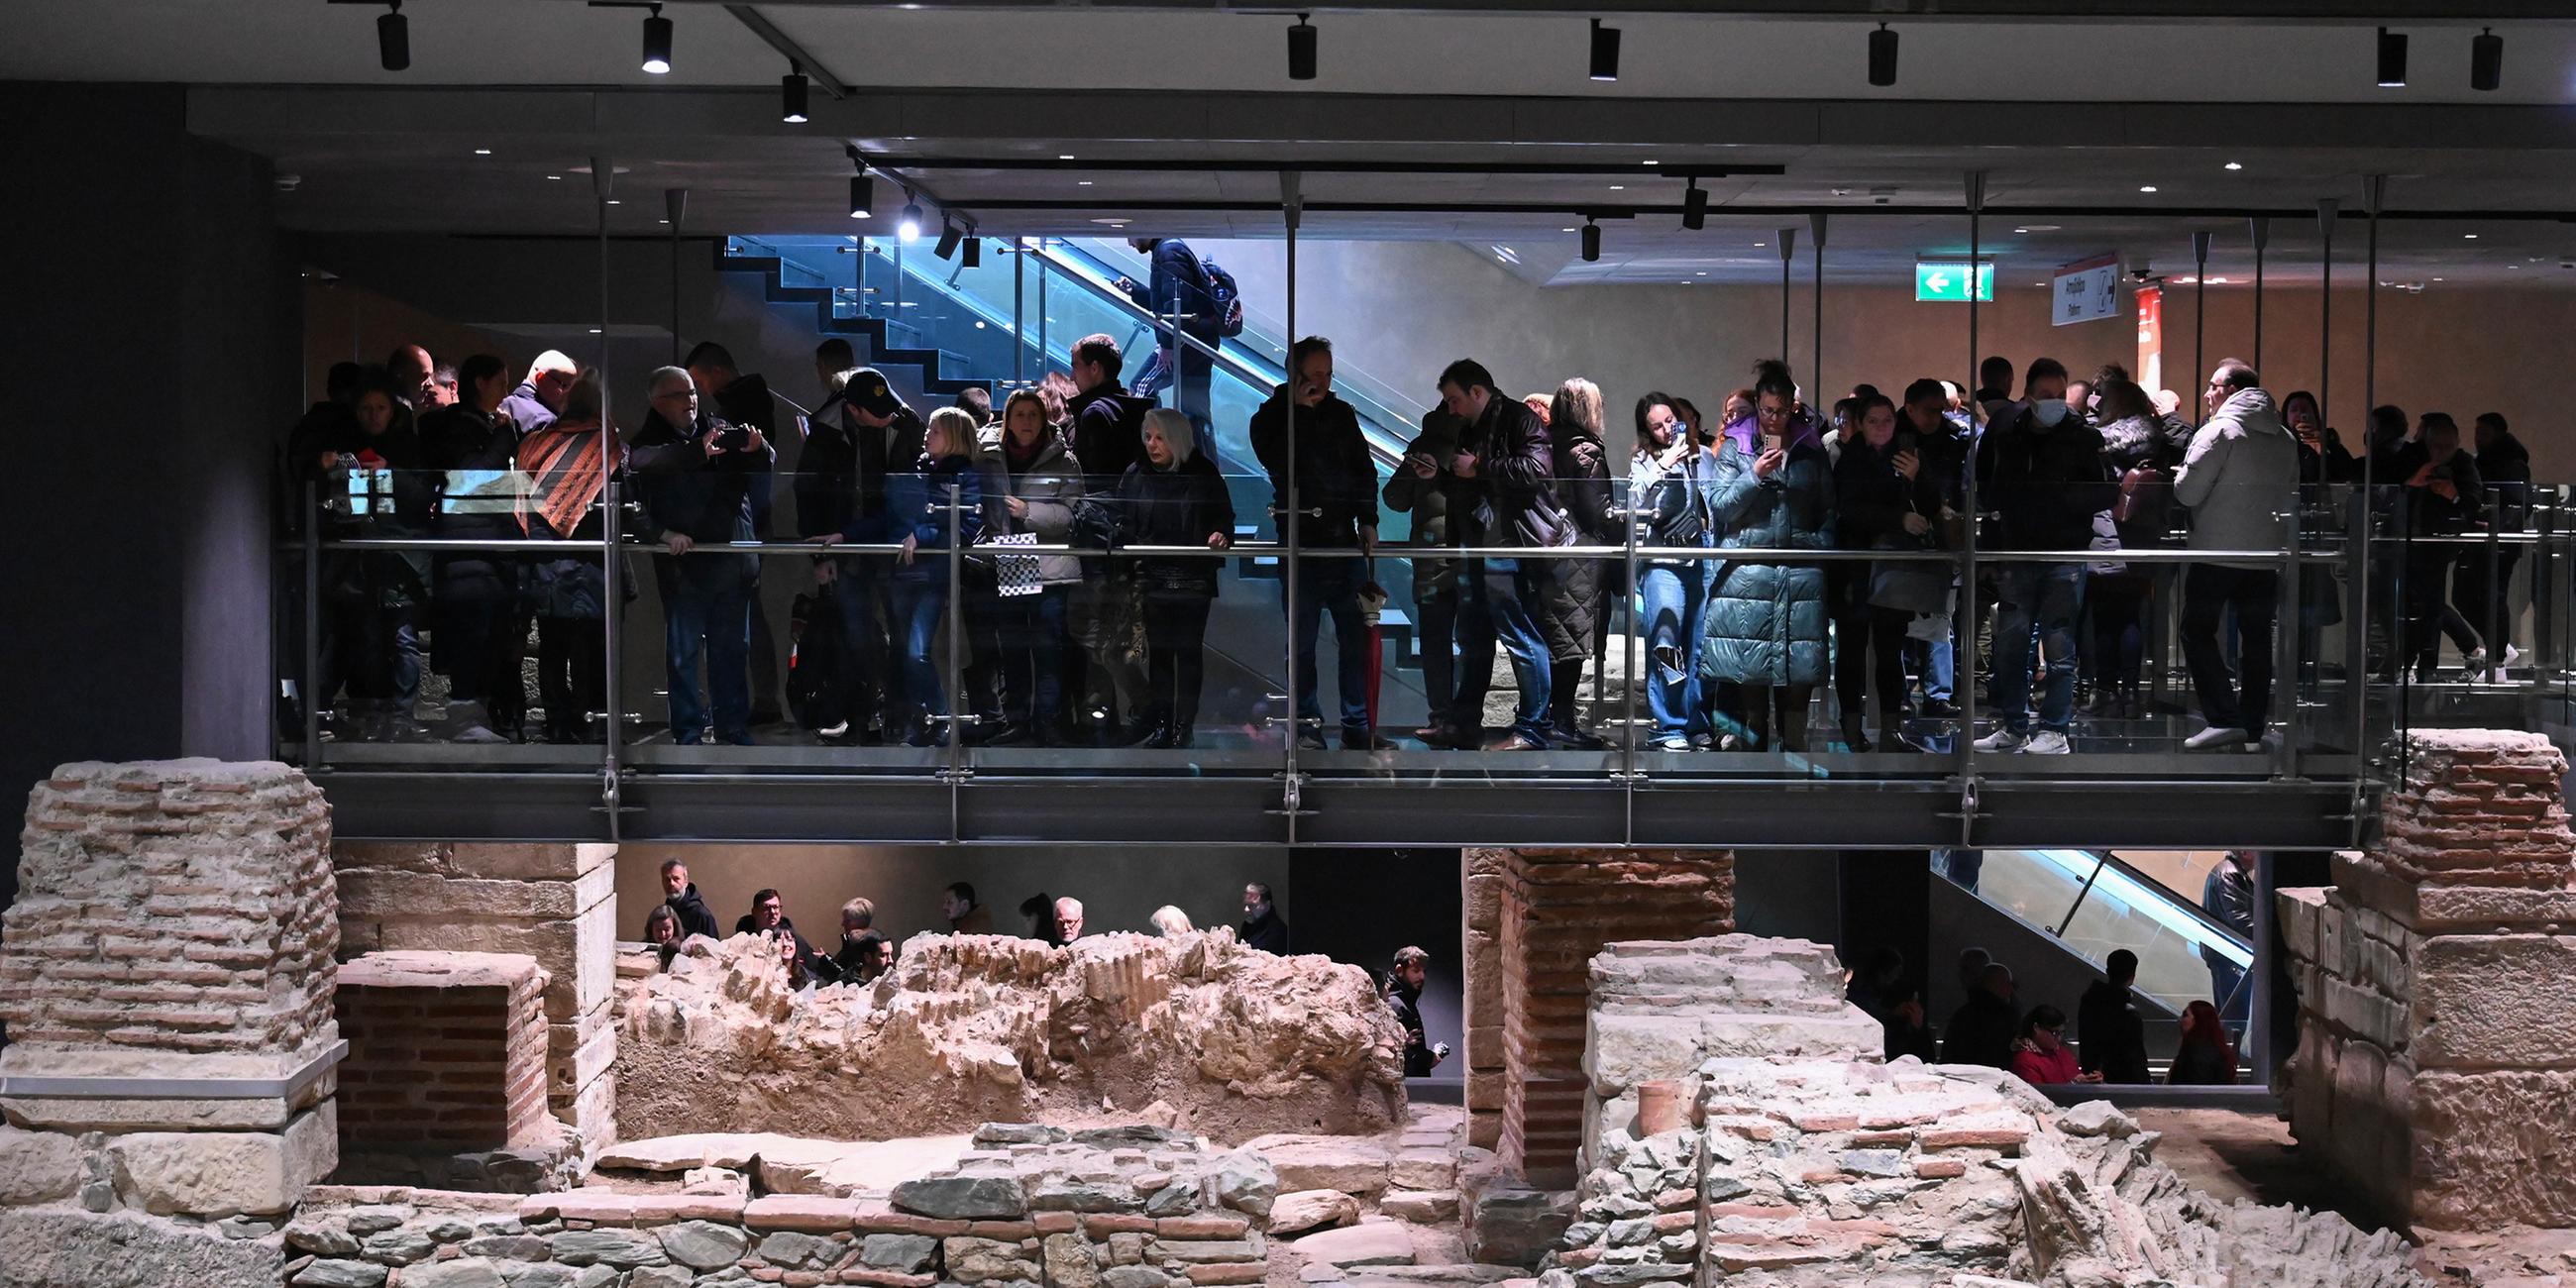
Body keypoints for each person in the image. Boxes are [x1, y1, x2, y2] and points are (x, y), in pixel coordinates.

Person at [816, 406, 982, 746]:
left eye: (935, 430)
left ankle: (939, 716)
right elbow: (887, 518)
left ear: (953, 436)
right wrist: (846, 535)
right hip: (900, 575)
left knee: (915, 651)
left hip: (931, 577)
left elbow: (965, 527)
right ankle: (924, 719)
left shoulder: (963, 477)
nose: (927, 435)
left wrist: (922, 535)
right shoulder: (915, 473)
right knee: (905, 650)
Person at [1251, 337, 1387, 751]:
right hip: (1301, 542)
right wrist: (1300, 414)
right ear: (1295, 375)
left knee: (1355, 640)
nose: (1323, 383)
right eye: (1315, 375)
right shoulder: (1271, 417)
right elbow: (1280, 463)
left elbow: (1363, 469)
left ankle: (1358, 725)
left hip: (1342, 541)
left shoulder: (1341, 414)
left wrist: (1367, 519)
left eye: (1328, 374)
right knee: (1303, 643)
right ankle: (1307, 724)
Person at [1974, 358, 2108, 756]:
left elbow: (2104, 490)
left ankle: (2055, 729)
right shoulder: (2006, 431)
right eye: (2045, 395)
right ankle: (2014, 725)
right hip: (2018, 552)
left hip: (2064, 554)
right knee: (2013, 645)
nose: (2054, 403)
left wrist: (2061, 499)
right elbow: (1986, 483)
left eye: (2059, 396)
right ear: (2029, 395)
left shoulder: (2081, 436)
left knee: (2060, 645)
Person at [630, 366, 769, 746]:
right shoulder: (645, 445)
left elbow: (763, 467)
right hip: (684, 566)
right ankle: (688, 732)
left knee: (732, 650)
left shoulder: (721, 428)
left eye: (692, 392)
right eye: (679, 395)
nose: (691, 401)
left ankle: (732, 727)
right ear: (658, 403)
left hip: (730, 559)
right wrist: (661, 534)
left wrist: (759, 449)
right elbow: (635, 485)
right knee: (683, 654)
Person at [1702, 362, 1833, 754]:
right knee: (1751, 689)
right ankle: (1756, 782)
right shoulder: (1735, 447)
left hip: (1800, 578)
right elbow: (1720, 507)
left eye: (1781, 411)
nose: (1773, 419)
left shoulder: (1810, 449)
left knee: (1796, 692)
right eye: (1766, 410)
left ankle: (1795, 778)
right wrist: (1754, 475)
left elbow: (1829, 509)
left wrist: (1819, 547)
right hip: (1748, 579)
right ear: (1757, 405)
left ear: (1793, 408)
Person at [1437, 360, 1564, 751]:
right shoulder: (1479, 425)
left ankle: (1532, 729)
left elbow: (1535, 469)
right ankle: (1466, 724)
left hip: (1509, 546)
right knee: (1475, 637)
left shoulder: (1518, 418)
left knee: (1519, 635)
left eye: (1455, 399)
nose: (1450, 408)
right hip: (1485, 545)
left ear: (1477, 392)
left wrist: (1478, 468)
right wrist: (1442, 474)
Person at [2174, 360, 2298, 751]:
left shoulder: (2221, 431)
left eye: (2213, 386)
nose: (2208, 393)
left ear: (2232, 390)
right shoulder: (2284, 437)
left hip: (2216, 552)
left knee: (2196, 631)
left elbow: (2186, 492)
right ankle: (2253, 727)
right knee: (2257, 639)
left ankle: (2225, 718)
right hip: (2265, 555)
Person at [417, 353, 528, 743]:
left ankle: (476, 713)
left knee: (488, 632)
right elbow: (474, 479)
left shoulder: (477, 425)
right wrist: (503, 438)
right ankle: (466, 715)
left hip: (488, 546)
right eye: (501, 381)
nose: (505, 390)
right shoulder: (461, 429)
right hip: (469, 546)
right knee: (471, 632)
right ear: (480, 383)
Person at [1116, 408, 1235, 748]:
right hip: (1152, 575)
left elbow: (1223, 517)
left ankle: (1184, 725)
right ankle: (1164, 724)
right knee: (1161, 654)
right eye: (1149, 437)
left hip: (1192, 576)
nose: (1153, 444)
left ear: (1177, 440)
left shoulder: (1202, 472)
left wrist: (1219, 535)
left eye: (1160, 437)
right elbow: (1121, 518)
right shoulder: (1137, 473)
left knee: (1188, 652)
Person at [975, 388, 1087, 744]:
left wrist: (1029, 512)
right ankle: (1019, 722)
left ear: (1043, 419)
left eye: (1033, 415)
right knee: (1014, 651)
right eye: (1020, 414)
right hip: (1009, 557)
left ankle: (1048, 723)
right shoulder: (988, 456)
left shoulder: (1064, 461)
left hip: (1051, 565)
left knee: (1048, 650)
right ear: (1007, 419)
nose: (1026, 421)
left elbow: (1074, 514)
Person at [516, 371, 622, 744]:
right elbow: (624, 500)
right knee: (592, 651)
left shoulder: (535, 442)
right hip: (591, 562)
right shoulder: (606, 443)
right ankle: (594, 723)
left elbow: (522, 499)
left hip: (545, 560)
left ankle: (558, 723)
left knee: (552, 647)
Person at [1830, 392, 1938, 752]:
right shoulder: (1849, 460)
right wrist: (1898, 518)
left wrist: (1917, 477)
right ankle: (1850, 727)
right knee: (1852, 651)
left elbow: (1934, 504)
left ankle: (1892, 729)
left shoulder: (1908, 454)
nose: (1881, 428)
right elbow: (1849, 509)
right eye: (1873, 421)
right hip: (1856, 569)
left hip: (1895, 568)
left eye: (1887, 420)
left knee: (1891, 652)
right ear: (1860, 423)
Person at [686, 341, 786, 727]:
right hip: (746, 521)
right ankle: (756, 700)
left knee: (739, 618)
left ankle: (749, 701)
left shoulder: (738, 409)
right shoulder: (751, 403)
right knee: (746, 616)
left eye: (697, 382)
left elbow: (748, 466)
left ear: (714, 373)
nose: (698, 393)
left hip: (738, 524)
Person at [1066, 335, 1156, 742]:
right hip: (1129, 536)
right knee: (1113, 633)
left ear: (1094, 369)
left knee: (1094, 631)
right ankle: (1125, 712)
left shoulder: (1095, 415)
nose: (1073, 375)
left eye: (1077, 366)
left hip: (1100, 540)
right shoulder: (1135, 412)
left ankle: (1108, 715)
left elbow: (1091, 481)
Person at [1631, 391, 1717, 752]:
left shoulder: (1706, 457)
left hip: (1702, 559)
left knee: (1699, 645)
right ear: (1648, 432)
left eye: (1671, 421)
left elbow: (1716, 503)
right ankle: (1668, 725)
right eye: (1658, 426)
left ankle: (1698, 722)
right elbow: (1633, 500)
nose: (1667, 429)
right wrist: (1662, 464)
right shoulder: (1643, 460)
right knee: (1667, 643)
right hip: (1662, 563)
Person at [2086, 380, 2176, 722]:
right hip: (2144, 537)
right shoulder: (2155, 436)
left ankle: (2106, 693)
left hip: (2110, 534)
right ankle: (2132, 695)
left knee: (2105, 619)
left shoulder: (2104, 440)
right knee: (2131, 616)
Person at [1387, 404, 1471, 748]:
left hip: (1431, 560)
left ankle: (1441, 717)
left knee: (1435, 644)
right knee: (1472, 644)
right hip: (1470, 560)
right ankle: (1465, 718)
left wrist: (1417, 471)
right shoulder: (1479, 443)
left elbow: (1393, 498)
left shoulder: (1425, 444)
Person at [1540, 378, 1615, 751]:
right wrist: (1628, 520)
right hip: (1579, 559)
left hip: (1550, 555)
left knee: (1552, 639)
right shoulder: (1585, 450)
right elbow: (1597, 510)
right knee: (1569, 643)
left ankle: (1545, 718)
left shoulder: (1546, 442)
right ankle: (1562, 722)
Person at [2390, 412, 2487, 682]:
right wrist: (2413, 481)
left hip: (2438, 545)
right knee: (2416, 605)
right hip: (2406, 540)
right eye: (2435, 446)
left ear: (2457, 443)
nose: (2441, 453)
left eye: (2447, 447)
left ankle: (2421, 667)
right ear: (2426, 443)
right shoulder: (2412, 459)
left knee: (2430, 606)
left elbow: (2472, 503)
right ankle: (2414, 665)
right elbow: (2387, 486)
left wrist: (2452, 494)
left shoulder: (2464, 465)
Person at [1897, 378, 1970, 718]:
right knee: (1900, 618)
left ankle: (1938, 693)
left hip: (1941, 533)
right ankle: (1904, 691)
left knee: (1941, 618)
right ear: (1910, 408)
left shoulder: (1954, 439)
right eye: (1930, 410)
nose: (1937, 417)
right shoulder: (1896, 437)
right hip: (1906, 535)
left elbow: (1957, 486)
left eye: (1940, 410)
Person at [1119, 237, 1223, 434]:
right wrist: (1135, 291)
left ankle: (1158, 443)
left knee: (1141, 387)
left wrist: (1167, 345)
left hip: (1184, 341)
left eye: (1130, 236)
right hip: (1199, 340)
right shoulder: (1170, 249)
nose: (1130, 243)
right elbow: (1167, 301)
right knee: (1195, 411)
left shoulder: (1168, 252)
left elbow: (1177, 305)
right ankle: (1200, 457)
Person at [2464, 411, 2530, 677]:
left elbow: (2518, 503)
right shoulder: (2485, 462)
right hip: (2483, 540)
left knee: (2493, 597)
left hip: (2499, 543)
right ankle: (2499, 651)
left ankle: (2498, 659)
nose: (2478, 438)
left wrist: (2498, 530)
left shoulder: (2511, 463)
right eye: (2477, 432)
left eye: (2484, 433)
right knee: (2469, 594)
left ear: (2498, 434)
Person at [1846, 947, 1934, 1062]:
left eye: (1897, 974)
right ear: (1880, 972)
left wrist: (1916, 1025)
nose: (1894, 979)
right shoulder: (1861, 996)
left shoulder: (1895, 994)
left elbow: (1924, 1051)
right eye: (1893, 973)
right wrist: (1892, 1014)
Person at [2077, 949, 2152, 1084]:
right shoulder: (2128, 1014)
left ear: (2107, 971)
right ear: (2132, 976)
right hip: (2121, 1083)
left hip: (2093, 1077)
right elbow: (2135, 1058)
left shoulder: (2089, 1002)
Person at [2202, 851, 2256, 1031]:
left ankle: (2229, 1056)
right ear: (2246, 852)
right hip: (2230, 959)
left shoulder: (2228, 872)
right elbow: (2240, 919)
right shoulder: (2230, 874)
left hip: (2225, 957)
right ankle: (2230, 1058)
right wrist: (2267, 937)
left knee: (2230, 1019)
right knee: (2234, 1022)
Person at [1940, 961, 2018, 1069]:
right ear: (1994, 983)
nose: (2011, 989)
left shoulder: (1962, 1014)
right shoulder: (2003, 1015)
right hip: (1994, 1078)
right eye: (2007, 983)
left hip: (1960, 1076)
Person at [1385, 946, 1449, 1077]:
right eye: (1416, 971)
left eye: (1424, 971)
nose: (1422, 976)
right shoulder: (1396, 1005)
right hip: (1407, 1089)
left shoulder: (1402, 1002)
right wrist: (1433, 1056)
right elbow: (1406, 1056)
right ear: (1399, 970)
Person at [2008, 1005, 2096, 1086]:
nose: (2059, 1038)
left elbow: (2074, 1077)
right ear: (2036, 1028)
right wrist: (2073, 1084)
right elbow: (2039, 1096)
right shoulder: (2024, 1061)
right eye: (2055, 1033)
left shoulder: (2061, 1051)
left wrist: (2086, 1080)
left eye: (2061, 1033)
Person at [503, 350, 578, 437]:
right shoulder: (546, 423)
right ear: (540, 378)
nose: (568, 394)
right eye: (564, 386)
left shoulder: (501, 404)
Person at [2168, 999, 2241, 1086]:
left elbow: (2195, 1089)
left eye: (2185, 1015)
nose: (2180, 1020)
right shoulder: (2219, 1050)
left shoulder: (2195, 1053)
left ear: (2199, 1021)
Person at [657, 859, 720, 940]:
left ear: (686, 881)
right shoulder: (664, 913)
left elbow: (714, 950)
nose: (671, 883)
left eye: (676, 879)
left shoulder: (702, 915)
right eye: (667, 880)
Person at [1239, 883, 1289, 953]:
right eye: (1246, 904)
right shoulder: (1247, 925)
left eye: (1252, 905)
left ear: (1267, 905)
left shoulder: (1278, 932)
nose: (1246, 909)